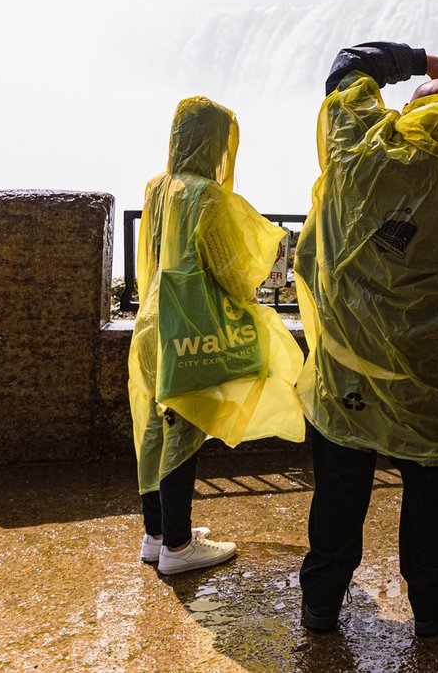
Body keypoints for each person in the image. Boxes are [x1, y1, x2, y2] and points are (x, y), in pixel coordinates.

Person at [295, 46, 438, 637]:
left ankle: (322, 603)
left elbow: (346, 66)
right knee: (426, 493)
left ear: (404, 117)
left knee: (339, 487)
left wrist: (421, 59)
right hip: (421, 374)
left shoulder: (357, 152)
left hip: (346, 370)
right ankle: (435, 605)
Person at [128, 96, 306, 575]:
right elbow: (231, 268)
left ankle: (157, 533)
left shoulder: (157, 188)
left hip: (151, 324)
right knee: (185, 427)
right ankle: (180, 547)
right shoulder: (205, 194)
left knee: (153, 428)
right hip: (190, 327)